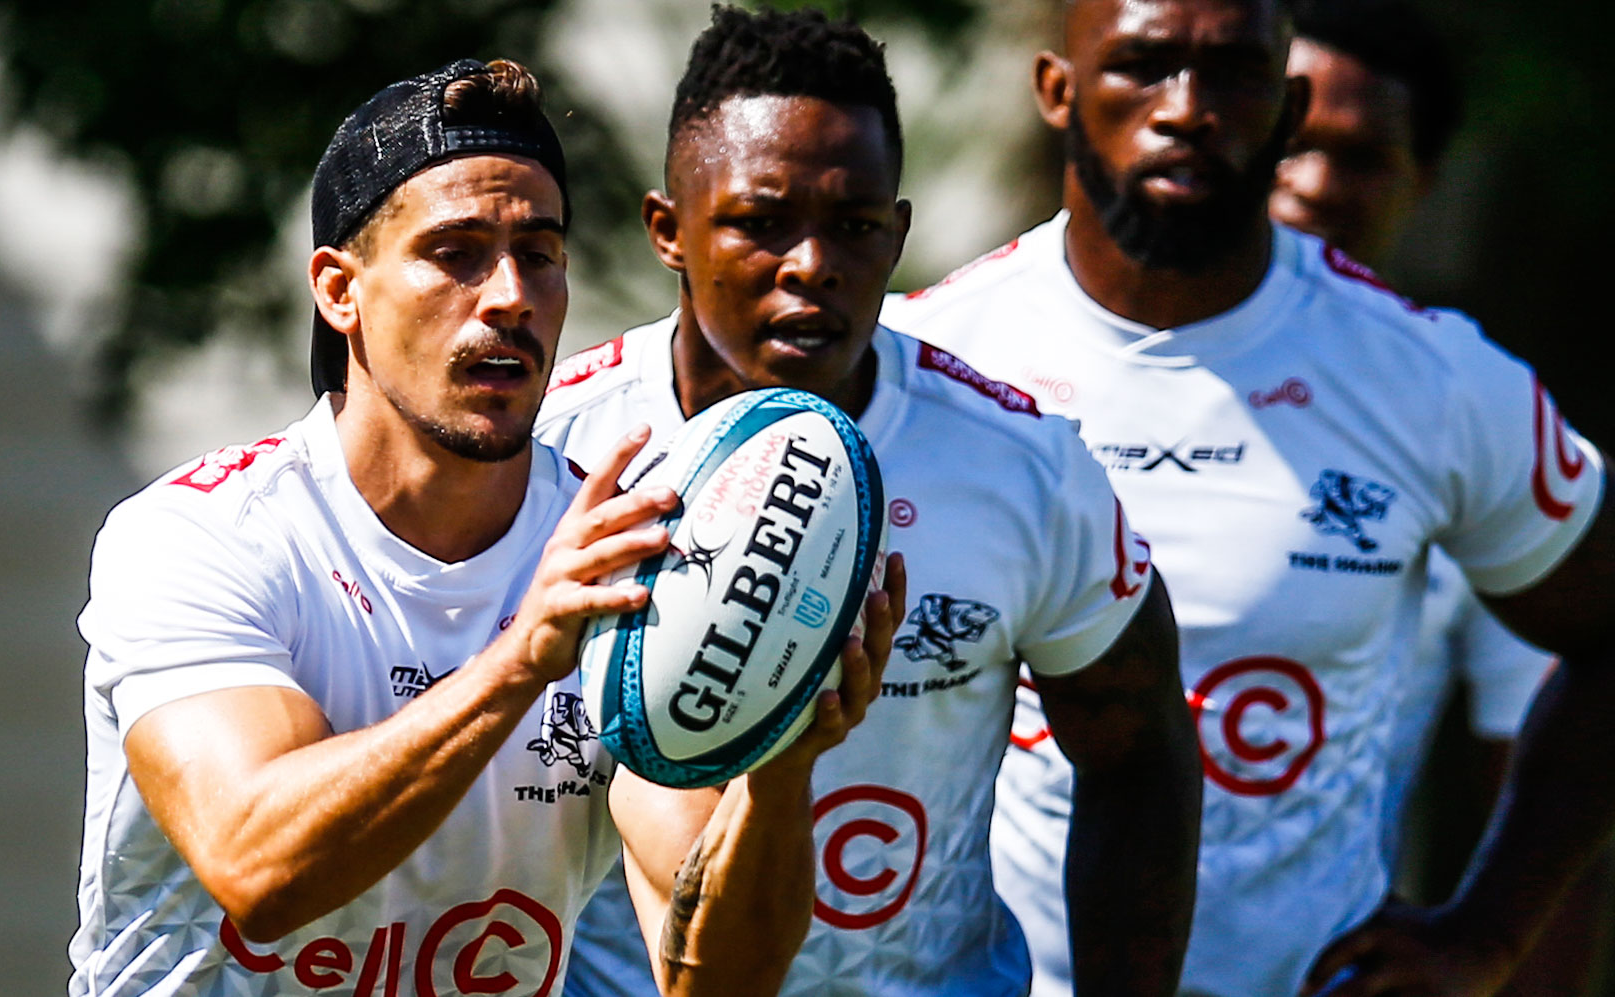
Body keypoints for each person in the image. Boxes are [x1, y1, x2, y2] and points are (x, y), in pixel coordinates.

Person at [65, 57, 904, 997]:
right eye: (455, 252)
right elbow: (258, 867)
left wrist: (778, 769)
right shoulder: (200, 536)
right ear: (340, 291)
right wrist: (519, 661)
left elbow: (718, 980)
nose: (510, 294)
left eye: (539, 253)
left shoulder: (618, 553)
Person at [885, 0, 1615, 994]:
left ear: (1286, 104)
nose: (1187, 108)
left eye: (1231, 70)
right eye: (1144, 64)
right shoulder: (930, 360)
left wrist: (1487, 934)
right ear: (1056, 88)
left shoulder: (1429, 378)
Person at [539, 8, 1201, 997]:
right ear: (668, 230)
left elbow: (1140, 754)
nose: (811, 264)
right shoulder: (558, 453)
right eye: (760, 222)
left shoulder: (1019, 466)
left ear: (895, 236)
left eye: (852, 226)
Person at [1272, 4, 1609, 994]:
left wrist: (1487, 945)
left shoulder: (1480, 430)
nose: (1315, 183)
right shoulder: (1032, 385)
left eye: (1362, 157)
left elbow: (1545, 784)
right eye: (1290, 142)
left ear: (1420, 182)